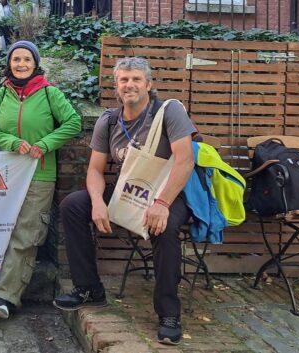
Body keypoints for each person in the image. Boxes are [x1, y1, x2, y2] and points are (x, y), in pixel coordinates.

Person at [55, 57, 195, 345]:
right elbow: (95, 170)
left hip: (167, 194)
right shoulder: (108, 120)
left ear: (148, 84)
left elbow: (185, 161)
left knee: (165, 227)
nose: (129, 85)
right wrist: (97, 201)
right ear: (116, 86)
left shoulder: (169, 112)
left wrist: (162, 204)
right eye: (123, 80)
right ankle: (89, 289)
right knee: (73, 205)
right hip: (128, 192)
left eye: (136, 79)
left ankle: (169, 313)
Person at [0, 41, 82, 319]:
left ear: (36, 64)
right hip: (6, 175)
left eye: (27, 59)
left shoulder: (50, 93)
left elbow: (73, 122)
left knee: (26, 234)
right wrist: (13, 143)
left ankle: (5, 297)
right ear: (9, 63)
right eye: (16, 59)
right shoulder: (2, 93)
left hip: (40, 174)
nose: (21, 64)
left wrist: (46, 144)